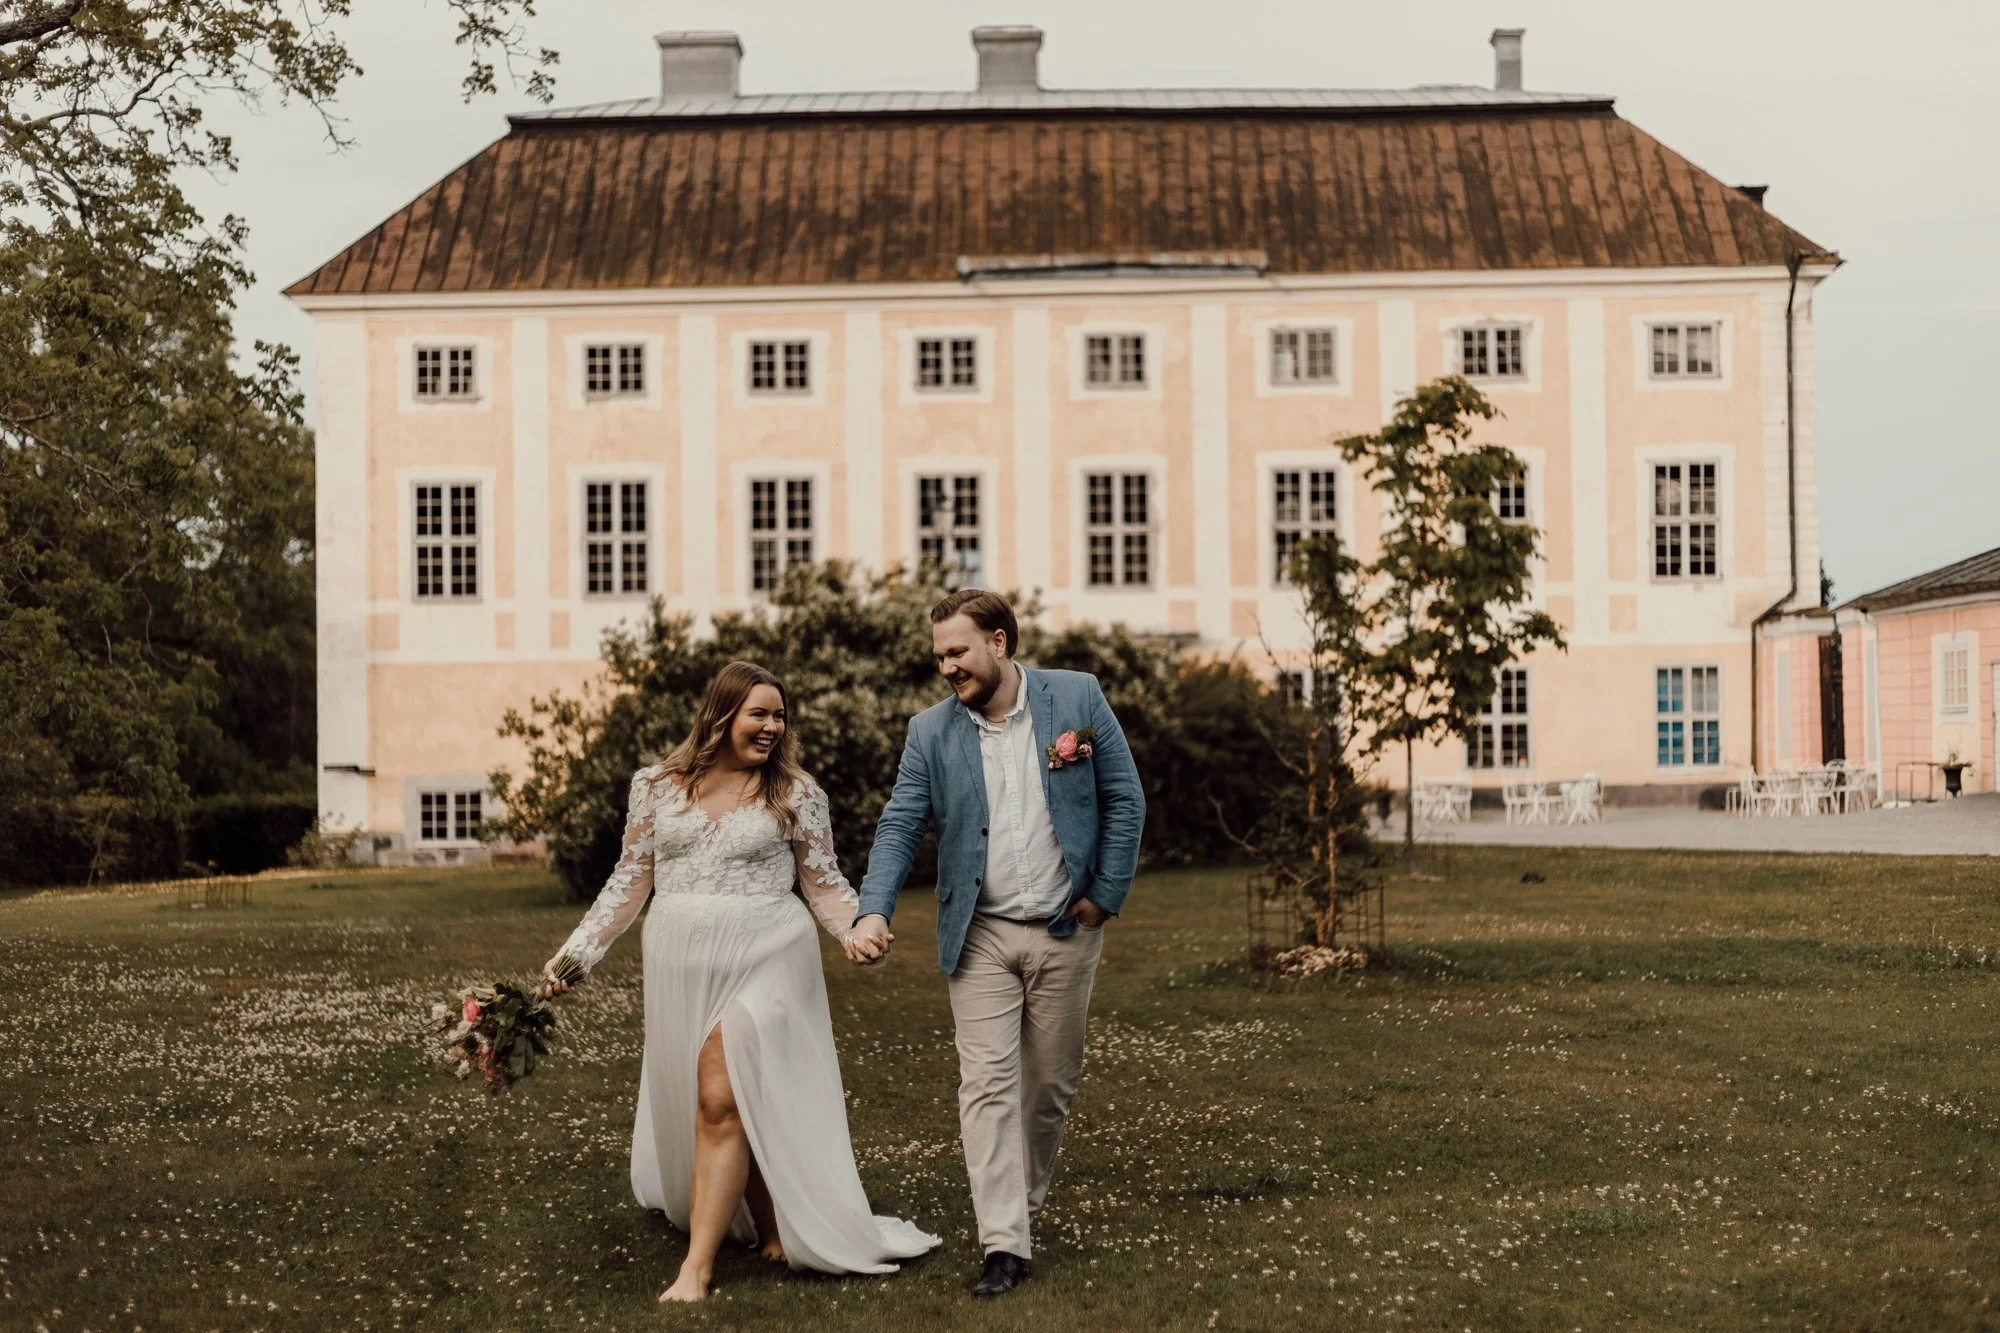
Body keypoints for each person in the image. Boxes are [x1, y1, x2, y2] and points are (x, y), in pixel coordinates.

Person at [541, 660, 938, 1304]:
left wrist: (859, 930)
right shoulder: (657, 786)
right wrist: (576, 955)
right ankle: (774, 1221)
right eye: (760, 713)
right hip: (682, 962)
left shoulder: (796, 793)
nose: (773, 728)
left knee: (722, 1095)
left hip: (770, 955)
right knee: (721, 1097)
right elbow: (628, 881)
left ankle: (695, 1270)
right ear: (721, 714)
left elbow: (824, 882)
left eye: (780, 716)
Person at [846, 589, 1145, 1298]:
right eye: (939, 655)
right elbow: (898, 826)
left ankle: (1021, 1206)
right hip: (977, 933)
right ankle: (1004, 1242)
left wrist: (1106, 891)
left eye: (958, 651)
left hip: (1066, 928)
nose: (947, 665)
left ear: (1000, 643)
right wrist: (872, 910)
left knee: (1049, 1086)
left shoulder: (1076, 698)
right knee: (986, 1086)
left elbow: (1125, 797)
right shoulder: (930, 732)